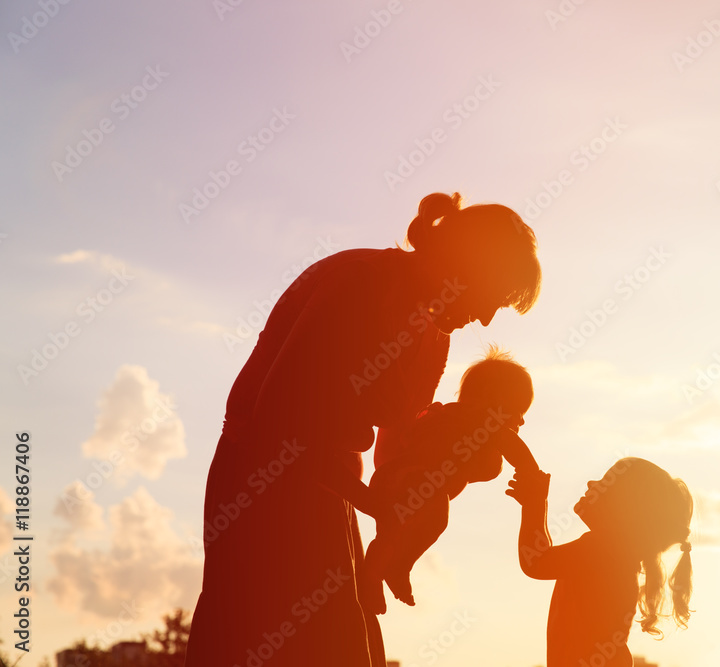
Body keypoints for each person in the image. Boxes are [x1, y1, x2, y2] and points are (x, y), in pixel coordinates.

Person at [185, 192, 541, 667]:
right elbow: (275, 419)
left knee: (336, 635)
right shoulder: (360, 280)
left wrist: (448, 457)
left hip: (334, 487)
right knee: (271, 635)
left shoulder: (434, 331)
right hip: (263, 485)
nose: (486, 317)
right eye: (491, 296)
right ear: (468, 265)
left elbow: (403, 433)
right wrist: (376, 503)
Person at [363, 346, 539, 612]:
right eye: (519, 411)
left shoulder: (459, 418)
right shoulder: (481, 420)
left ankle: (378, 573)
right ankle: (393, 569)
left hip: (394, 480)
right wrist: (531, 473)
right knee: (434, 517)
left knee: (392, 533)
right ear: (495, 403)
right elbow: (515, 447)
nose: (522, 422)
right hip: (412, 481)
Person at [506, 458, 694, 667]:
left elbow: (537, 561)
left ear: (624, 509)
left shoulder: (603, 549)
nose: (591, 484)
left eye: (606, 482)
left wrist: (534, 503)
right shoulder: (617, 555)